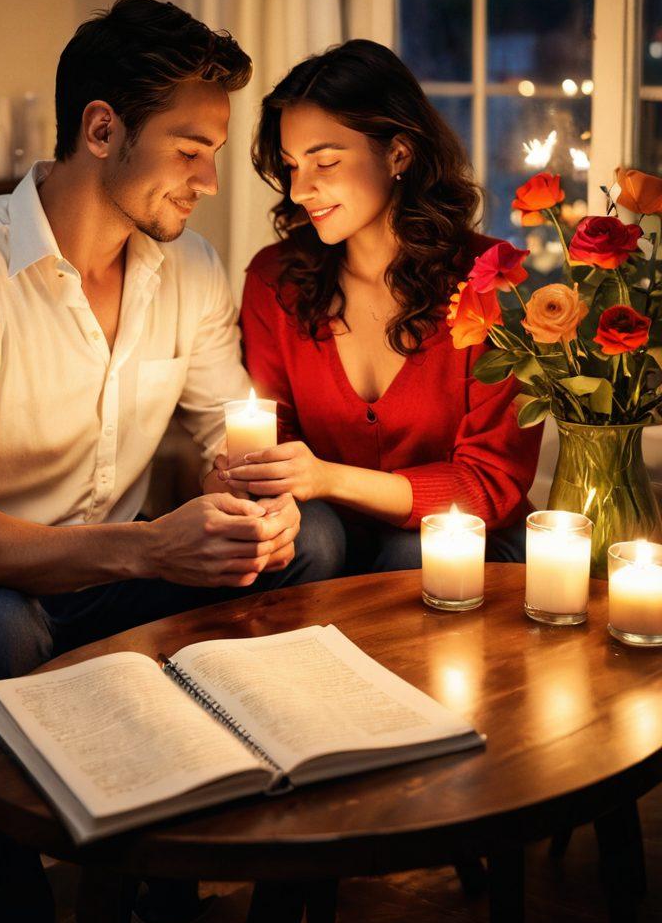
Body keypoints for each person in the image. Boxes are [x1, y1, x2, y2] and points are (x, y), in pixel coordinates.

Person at [0, 0, 345, 923]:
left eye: (214, 156)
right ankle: (19, 910)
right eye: (189, 151)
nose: (207, 182)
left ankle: (233, 857)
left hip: (98, 578)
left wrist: (249, 498)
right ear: (102, 129)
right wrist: (152, 550)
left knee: (310, 535)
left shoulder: (186, 269)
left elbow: (216, 439)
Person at [220, 39, 542, 570]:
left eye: (325, 160)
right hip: (326, 540)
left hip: (464, 542)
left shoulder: (490, 282)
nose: (301, 189)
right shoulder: (275, 281)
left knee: (413, 550)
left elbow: (492, 483)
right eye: (291, 165)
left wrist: (330, 478)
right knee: (310, 537)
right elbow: (275, 442)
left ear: (398, 152)